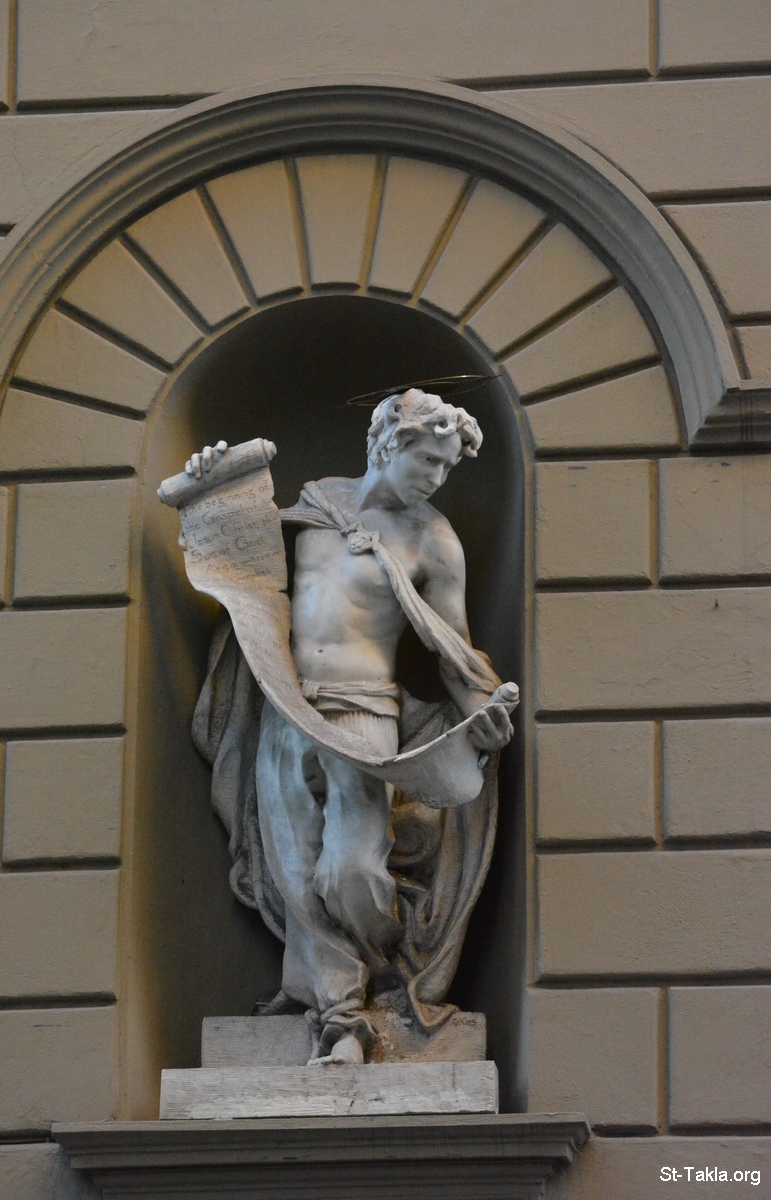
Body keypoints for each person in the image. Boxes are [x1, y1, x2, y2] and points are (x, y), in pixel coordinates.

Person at [188, 388, 513, 1064]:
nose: (437, 477)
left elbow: (452, 650)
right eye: (428, 460)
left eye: (447, 466)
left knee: (352, 871)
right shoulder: (317, 505)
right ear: (390, 445)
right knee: (294, 872)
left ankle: (387, 973)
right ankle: (343, 1020)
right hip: (288, 707)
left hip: (366, 715)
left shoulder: (434, 540)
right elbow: (239, 561)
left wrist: (483, 713)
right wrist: (209, 482)